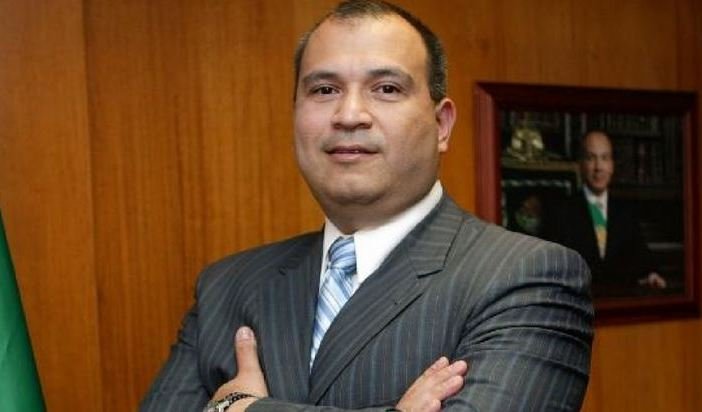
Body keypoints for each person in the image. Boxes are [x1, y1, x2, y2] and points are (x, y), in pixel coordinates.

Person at [141, 1, 593, 411]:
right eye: (324, 90)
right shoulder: (227, 286)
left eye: (387, 88)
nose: (349, 115)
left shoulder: (526, 278)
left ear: (441, 125)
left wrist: (237, 408)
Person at [546, 130, 666, 297]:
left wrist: (651, 274)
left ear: (612, 165)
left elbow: (643, 258)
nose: (598, 167)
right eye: (591, 158)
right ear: (580, 164)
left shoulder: (626, 213)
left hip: (619, 304)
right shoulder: (560, 212)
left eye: (604, 158)